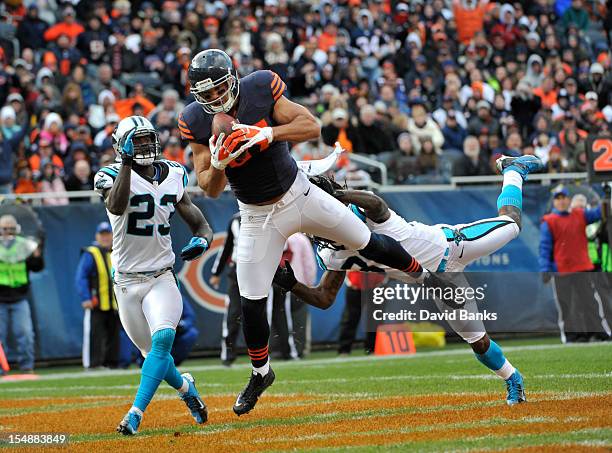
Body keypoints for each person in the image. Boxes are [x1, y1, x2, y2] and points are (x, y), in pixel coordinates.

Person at [181, 49, 434, 416]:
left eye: (220, 88)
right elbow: (211, 186)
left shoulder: (259, 87)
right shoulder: (194, 120)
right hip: (256, 215)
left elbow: (311, 126)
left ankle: (425, 276)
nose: (216, 99)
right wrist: (219, 162)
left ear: (233, 79)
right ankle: (260, 373)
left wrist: (263, 133)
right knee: (251, 299)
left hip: (300, 194)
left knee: (364, 241)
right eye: (207, 95)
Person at [275, 154, 546, 405]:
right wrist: (293, 285)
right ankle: (514, 379)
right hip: (435, 282)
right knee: (478, 341)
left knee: (512, 224)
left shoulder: (360, 212)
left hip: (451, 245)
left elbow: (377, 204)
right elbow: (324, 298)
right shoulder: (331, 254)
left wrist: (339, 195)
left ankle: (513, 171)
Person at [94, 115, 213, 435]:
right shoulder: (107, 175)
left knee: (162, 343)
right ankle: (186, 389)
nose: (147, 145)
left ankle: (134, 413)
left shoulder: (174, 172)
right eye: (139, 140)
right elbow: (117, 206)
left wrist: (202, 239)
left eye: (149, 139)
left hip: (162, 276)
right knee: (154, 357)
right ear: (122, 147)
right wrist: (127, 167)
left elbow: (197, 219)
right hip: (127, 282)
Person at [539, 186, 611, 343]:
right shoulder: (549, 221)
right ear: (554, 202)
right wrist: (545, 269)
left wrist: (606, 199)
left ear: (569, 200)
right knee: (567, 305)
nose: (561, 201)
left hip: (582, 268)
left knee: (590, 303)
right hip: (562, 270)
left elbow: (599, 213)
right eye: (558, 198)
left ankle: (597, 333)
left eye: (563, 197)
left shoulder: (579, 215)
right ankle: (573, 336)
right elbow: (545, 247)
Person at [0, 215, 44, 374]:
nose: (8, 232)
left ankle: (27, 367)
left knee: (25, 334)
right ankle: (1, 369)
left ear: (17, 229)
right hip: (0, 298)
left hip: (20, 297)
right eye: (5, 228)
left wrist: (37, 256)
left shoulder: (23, 245)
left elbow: (37, 267)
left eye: (11, 228)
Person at [74, 221, 120, 369]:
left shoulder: (117, 251)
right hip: (96, 302)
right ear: (97, 236)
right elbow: (81, 276)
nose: (105, 238)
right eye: (102, 235)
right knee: (95, 334)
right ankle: (93, 364)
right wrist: (85, 297)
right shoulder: (91, 253)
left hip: (114, 303)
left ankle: (111, 363)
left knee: (114, 335)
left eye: (108, 234)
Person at [209, 212, 241, 366]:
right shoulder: (235, 219)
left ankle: (263, 353)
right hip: (237, 270)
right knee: (233, 313)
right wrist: (216, 272)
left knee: (261, 313)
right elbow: (227, 247)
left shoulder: (266, 215)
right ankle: (228, 352)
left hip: (259, 271)